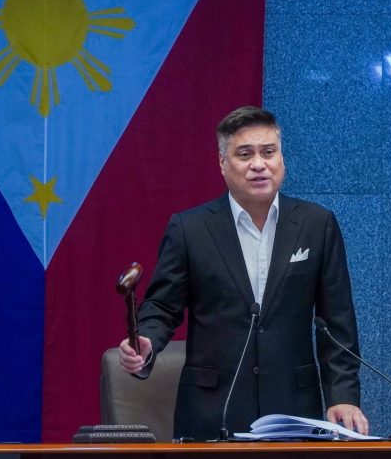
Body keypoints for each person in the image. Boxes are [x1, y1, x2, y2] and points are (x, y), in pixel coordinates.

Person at [118, 106, 368, 439]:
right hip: (211, 411)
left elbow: (337, 322)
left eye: (269, 152)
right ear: (222, 163)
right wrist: (147, 340)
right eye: (245, 154)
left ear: (282, 159)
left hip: (293, 408)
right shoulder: (190, 229)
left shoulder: (316, 224)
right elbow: (163, 307)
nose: (259, 164)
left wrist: (343, 396)